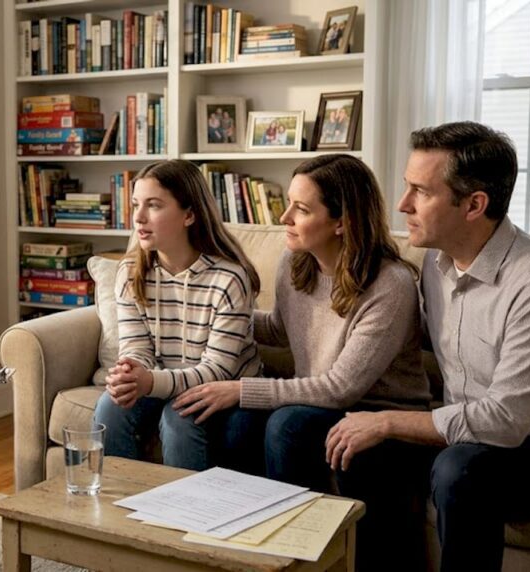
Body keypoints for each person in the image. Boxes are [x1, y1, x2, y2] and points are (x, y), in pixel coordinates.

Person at [325, 121, 530, 571]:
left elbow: (505, 422)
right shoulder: (435, 263)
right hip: (467, 430)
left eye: (420, 192)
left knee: (459, 470)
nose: (402, 204)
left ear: (474, 204)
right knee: (357, 451)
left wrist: (386, 420)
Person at [173, 154, 432, 569]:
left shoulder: (391, 284)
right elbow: (280, 328)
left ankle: (304, 558)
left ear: (341, 222)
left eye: (302, 208)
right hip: (319, 405)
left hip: (386, 416)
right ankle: (239, 548)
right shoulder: (296, 261)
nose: (284, 216)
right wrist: (217, 313)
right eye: (289, 202)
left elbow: (339, 388)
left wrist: (239, 389)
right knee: (240, 422)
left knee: (287, 424)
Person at [93, 159, 263, 470]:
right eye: (136, 205)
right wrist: (130, 372)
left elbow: (217, 371)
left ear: (189, 214)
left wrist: (148, 382)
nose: (139, 217)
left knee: (179, 418)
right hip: (163, 380)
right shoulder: (131, 272)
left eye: (154, 206)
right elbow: (137, 348)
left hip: (223, 391)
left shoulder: (229, 279)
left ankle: (183, 516)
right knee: (109, 407)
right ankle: (116, 511)